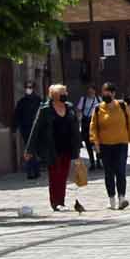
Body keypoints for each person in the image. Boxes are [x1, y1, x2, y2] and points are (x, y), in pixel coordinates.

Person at [24, 85, 84, 213]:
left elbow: (75, 127)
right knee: (54, 175)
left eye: (65, 92)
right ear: (55, 95)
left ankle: (61, 201)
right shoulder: (45, 109)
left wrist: (78, 145)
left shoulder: (69, 107)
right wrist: (29, 150)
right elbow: (36, 129)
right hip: (52, 148)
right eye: (63, 92)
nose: (66, 94)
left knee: (63, 175)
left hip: (67, 146)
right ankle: (55, 202)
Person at [87, 82, 130, 210]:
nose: (106, 95)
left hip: (121, 144)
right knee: (109, 173)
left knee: (120, 171)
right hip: (105, 146)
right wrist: (95, 143)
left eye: (108, 93)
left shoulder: (122, 106)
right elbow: (93, 128)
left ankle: (122, 198)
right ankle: (111, 199)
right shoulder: (98, 108)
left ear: (113, 93)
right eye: (104, 93)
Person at [12, 86, 42, 181]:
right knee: (29, 150)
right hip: (26, 129)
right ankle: (31, 171)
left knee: (32, 150)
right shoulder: (22, 102)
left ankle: (34, 170)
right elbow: (17, 115)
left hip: (36, 129)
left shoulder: (38, 101)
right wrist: (15, 127)